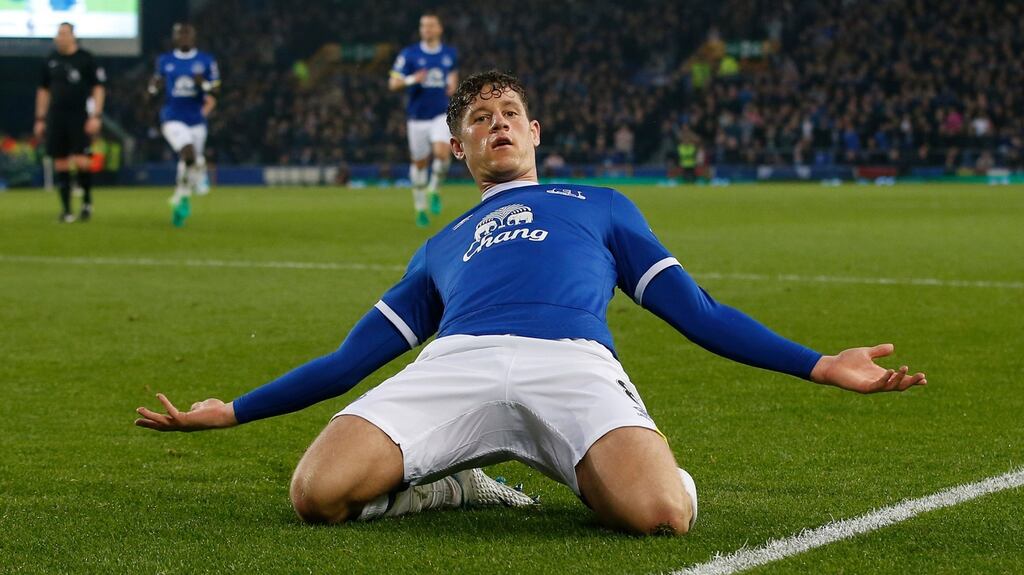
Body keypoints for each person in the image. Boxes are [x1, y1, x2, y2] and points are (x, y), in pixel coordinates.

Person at [136, 71, 926, 536]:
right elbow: (350, 360)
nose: (497, 123)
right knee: (315, 494)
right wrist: (234, 410)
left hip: (573, 363)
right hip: (456, 364)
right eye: (479, 119)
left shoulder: (602, 203)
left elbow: (700, 311)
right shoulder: (440, 245)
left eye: (509, 112)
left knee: (660, 516)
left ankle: (625, 462)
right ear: (460, 149)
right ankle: (450, 482)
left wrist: (821, 364)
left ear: (535, 130)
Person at [387, 13, 458, 227]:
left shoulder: (449, 53)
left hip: (439, 113)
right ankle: (420, 208)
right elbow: (393, 83)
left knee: (443, 153)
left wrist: (453, 84)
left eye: (430, 26)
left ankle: (434, 189)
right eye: (423, 26)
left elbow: (452, 73)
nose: (426, 29)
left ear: (439, 29)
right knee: (419, 164)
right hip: (417, 118)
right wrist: (412, 79)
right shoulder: (409, 55)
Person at [147, 23, 219, 228]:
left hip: (197, 119)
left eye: (188, 34)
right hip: (172, 117)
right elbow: (153, 88)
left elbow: (216, 90)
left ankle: (181, 200)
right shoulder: (165, 61)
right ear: (175, 37)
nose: (184, 37)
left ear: (194, 37)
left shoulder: (206, 61)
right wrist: (153, 88)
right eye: (180, 34)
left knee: (188, 162)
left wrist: (202, 84)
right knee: (189, 154)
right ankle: (194, 179)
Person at [34, 22, 105, 223]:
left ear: (73, 36)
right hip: (56, 116)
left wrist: (96, 115)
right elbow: (43, 91)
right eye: (58, 34)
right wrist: (40, 118)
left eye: (64, 33)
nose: (60, 37)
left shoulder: (86, 59)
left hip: (79, 115)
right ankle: (66, 210)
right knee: (61, 162)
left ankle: (86, 202)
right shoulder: (50, 60)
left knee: (82, 160)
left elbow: (98, 88)